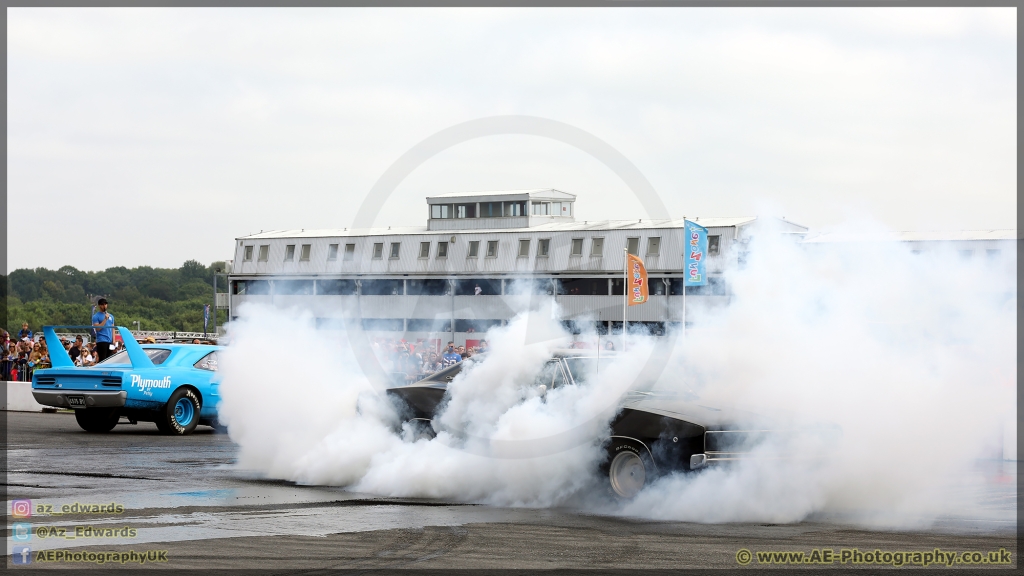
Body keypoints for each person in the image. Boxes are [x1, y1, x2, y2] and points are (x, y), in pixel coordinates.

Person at [91, 298, 115, 363]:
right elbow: (98, 328)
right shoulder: (96, 316)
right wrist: (105, 319)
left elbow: (113, 328)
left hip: (109, 340)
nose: (104, 306)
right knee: (103, 359)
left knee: (109, 359)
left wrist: (114, 340)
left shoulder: (111, 316)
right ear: (99, 305)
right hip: (101, 340)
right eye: (102, 304)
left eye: (105, 304)